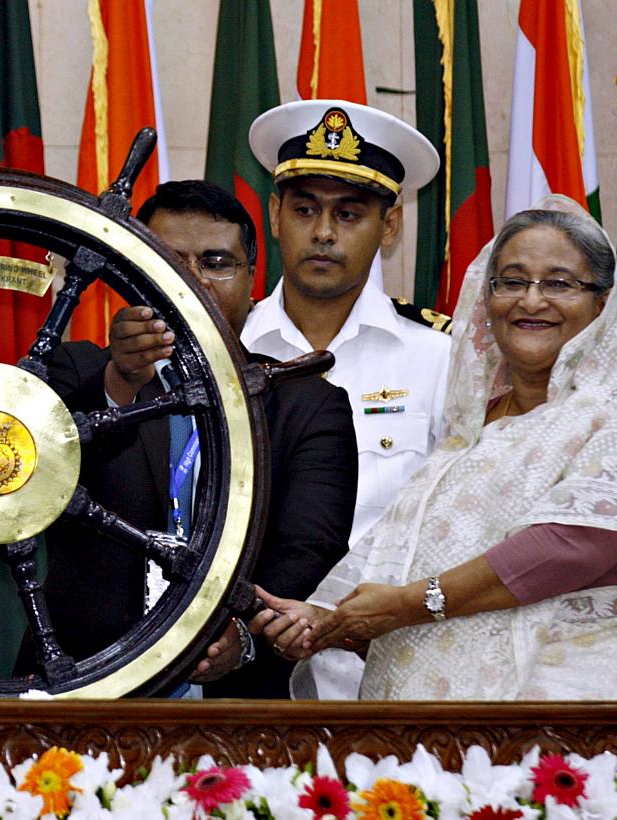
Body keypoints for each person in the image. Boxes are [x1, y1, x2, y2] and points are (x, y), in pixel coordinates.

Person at [252, 196, 617, 700]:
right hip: (435, 730)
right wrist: (326, 613)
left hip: (575, 719)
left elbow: (566, 547)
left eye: (559, 283)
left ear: (603, 302)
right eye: (512, 281)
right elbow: (403, 541)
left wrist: (405, 605)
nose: (531, 301)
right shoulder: (474, 423)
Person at [29, 180, 357, 697]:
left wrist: (243, 638)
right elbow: (32, 477)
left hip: (239, 700)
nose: (190, 280)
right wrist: (122, 383)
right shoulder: (77, 370)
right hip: (78, 685)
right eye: (167, 259)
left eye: (216, 262)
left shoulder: (308, 403)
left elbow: (307, 549)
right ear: (131, 272)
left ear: (253, 280)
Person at [240, 99, 450, 699]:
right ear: (275, 215)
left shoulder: (438, 359)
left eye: (350, 214)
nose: (325, 233)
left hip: (390, 672)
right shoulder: (227, 351)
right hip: (244, 670)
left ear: (390, 226)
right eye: (305, 209)